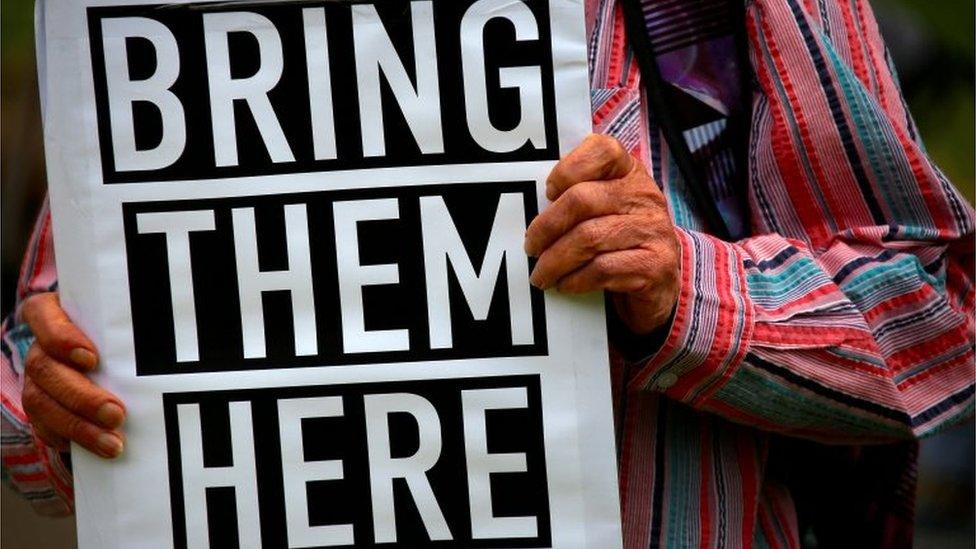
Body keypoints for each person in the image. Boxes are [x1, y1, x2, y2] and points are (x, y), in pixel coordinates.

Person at [3, 0, 973, 546]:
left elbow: (935, 325)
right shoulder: (165, 27)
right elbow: (38, 357)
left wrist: (687, 288)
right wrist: (59, 405)